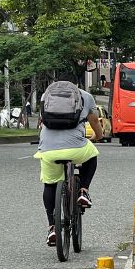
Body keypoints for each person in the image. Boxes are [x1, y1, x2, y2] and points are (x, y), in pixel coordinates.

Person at [34, 74, 102, 247]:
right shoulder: (84, 96)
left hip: (48, 149)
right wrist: (99, 136)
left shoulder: (46, 95)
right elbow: (94, 120)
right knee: (92, 155)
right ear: (76, 83)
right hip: (76, 148)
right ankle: (83, 191)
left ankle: (52, 227)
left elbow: (42, 121)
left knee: (49, 184)